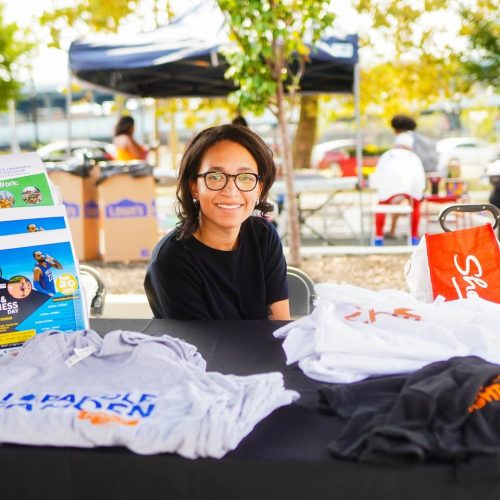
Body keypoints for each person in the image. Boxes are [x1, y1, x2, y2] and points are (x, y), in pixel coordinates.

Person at [144, 124, 290, 320]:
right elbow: (200, 347)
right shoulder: (171, 260)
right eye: (215, 176)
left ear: (259, 188)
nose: (230, 191)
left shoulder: (263, 236)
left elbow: (280, 326)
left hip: (264, 351)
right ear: (195, 186)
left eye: (245, 177)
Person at [370, 132, 426, 246]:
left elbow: (378, 176)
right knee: (415, 205)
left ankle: (378, 236)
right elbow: (420, 180)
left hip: (388, 192)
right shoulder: (413, 157)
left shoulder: (387, 155)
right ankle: (414, 236)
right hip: (409, 191)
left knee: (381, 204)